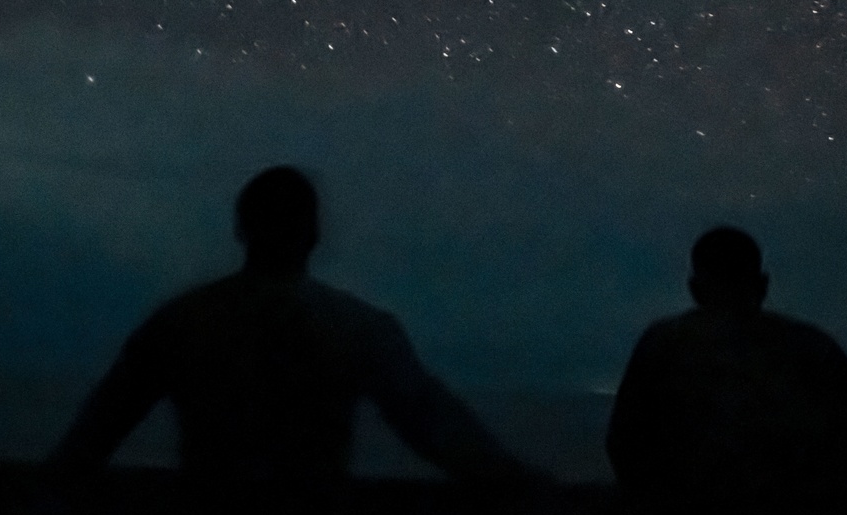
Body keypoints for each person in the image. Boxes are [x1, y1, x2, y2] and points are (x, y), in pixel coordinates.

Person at [51, 165, 532, 489]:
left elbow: (97, 431)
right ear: (315, 234)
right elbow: (435, 427)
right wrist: (525, 485)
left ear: (241, 229)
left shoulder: (180, 323)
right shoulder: (358, 327)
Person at [606, 226, 847, 506]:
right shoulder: (813, 348)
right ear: (762, 283)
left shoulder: (662, 345)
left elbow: (625, 443)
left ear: (694, 288)